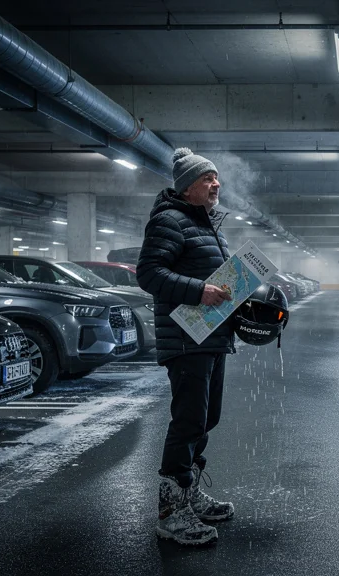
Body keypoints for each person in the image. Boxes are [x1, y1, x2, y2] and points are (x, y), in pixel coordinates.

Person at [137, 147, 237, 546]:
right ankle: (170, 512)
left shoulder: (210, 224)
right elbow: (148, 273)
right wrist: (200, 291)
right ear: (187, 186)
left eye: (217, 178)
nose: (216, 184)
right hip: (185, 336)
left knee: (206, 419)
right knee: (188, 421)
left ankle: (189, 494)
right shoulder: (169, 221)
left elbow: (218, 281)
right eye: (207, 179)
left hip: (211, 336)